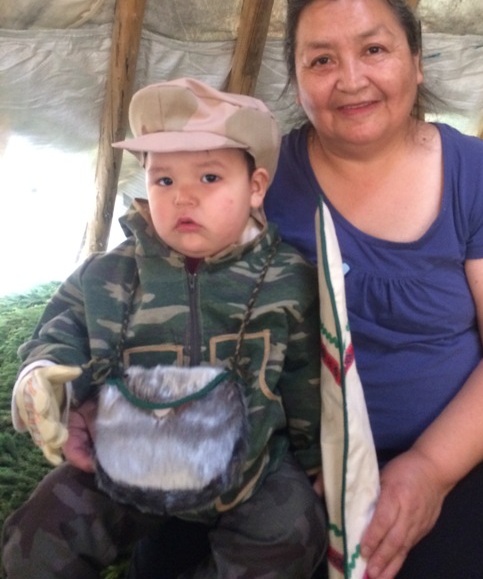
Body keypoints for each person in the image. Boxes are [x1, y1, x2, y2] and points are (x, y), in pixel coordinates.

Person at [262, 0, 483, 579]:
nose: (350, 79)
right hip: (286, 458)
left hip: (449, 448)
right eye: (321, 59)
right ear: (296, 80)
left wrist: (430, 471)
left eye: (374, 49)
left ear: (416, 62)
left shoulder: (474, 174)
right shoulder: (257, 180)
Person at [2, 77, 326, 579]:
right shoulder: (110, 272)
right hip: (122, 461)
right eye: (164, 180)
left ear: (256, 186)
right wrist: (41, 375)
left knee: (292, 530)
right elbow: (61, 329)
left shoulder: (288, 279)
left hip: (248, 470)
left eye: (210, 178)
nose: (183, 198)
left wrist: (316, 461)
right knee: (36, 537)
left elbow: (308, 382)